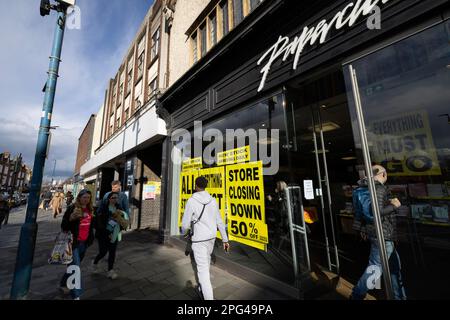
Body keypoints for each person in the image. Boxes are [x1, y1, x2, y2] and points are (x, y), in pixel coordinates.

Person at [350, 165, 407, 300]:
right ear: (382, 174)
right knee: (375, 269)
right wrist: (394, 206)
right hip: (383, 235)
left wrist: (361, 229)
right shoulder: (378, 188)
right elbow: (375, 213)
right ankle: (357, 294)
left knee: (393, 268)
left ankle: (398, 297)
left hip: (379, 234)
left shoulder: (360, 190)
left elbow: (358, 213)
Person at [182, 176, 230, 300]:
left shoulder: (192, 201)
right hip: (211, 238)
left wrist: (184, 232)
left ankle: (208, 297)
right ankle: (202, 288)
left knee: (202, 272)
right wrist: (225, 240)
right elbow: (219, 221)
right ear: (206, 186)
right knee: (205, 263)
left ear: (196, 186)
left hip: (199, 240)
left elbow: (185, 224)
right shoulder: (213, 201)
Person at [59, 189, 95, 300]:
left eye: (88, 198)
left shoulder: (90, 210)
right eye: (84, 197)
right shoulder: (72, 208)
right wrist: (71, 218)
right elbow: (64, 225)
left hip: (84, 243)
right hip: (72, 243)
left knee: (73, 266)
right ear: (79, 197)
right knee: (76, 268)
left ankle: (63, 283)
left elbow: (93, 225)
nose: (86, 199)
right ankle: (76, 295)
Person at [92, 192, 128, 280]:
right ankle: (95, 263)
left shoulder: (119, 208)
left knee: (112, 253)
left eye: (116, 198)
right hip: (104, 234)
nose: (115, 199)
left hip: (115, 233)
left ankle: (110, 271)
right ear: (108, 199)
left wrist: (122, 224)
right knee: (103, 252)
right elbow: (99, 224)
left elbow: (122, 221)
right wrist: (108, 233)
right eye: (113, 198)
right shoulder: (103, 209)